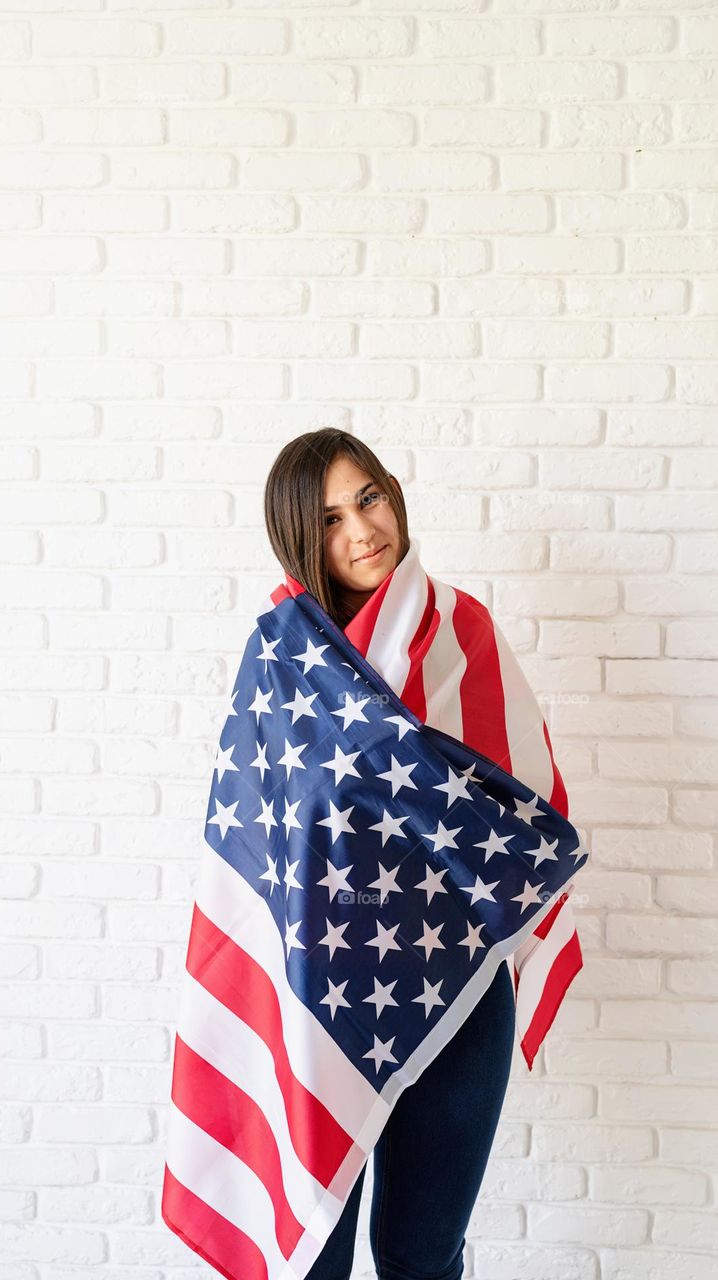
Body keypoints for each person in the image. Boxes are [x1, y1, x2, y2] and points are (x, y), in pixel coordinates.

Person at [263, 428, 517, 1280]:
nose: (360, 531)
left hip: (458, 986)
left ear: (394, 493)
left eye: (367, 498)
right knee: (313, 1257)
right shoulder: (282, 656)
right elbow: (269, 841)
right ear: (304, 538)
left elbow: (519, 814)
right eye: (330, 518)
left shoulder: (462, 630)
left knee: (421, 1259)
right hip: (325, 994)